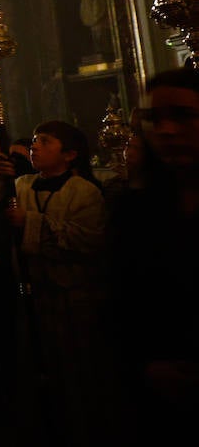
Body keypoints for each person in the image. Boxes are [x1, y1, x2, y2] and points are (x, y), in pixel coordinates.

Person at [108, 69, 199, 443]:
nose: (166, 130)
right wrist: (145, 366)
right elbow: (121, 304)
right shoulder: (132, 210)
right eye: (152, 119)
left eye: (181, 116)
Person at [6, 120, 109, 444]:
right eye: (34, 140)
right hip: (31, 297)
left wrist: (31, 222)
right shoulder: (20, 185)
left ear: (70, 154)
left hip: (71, 299)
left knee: (75, 379)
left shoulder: (84, 192)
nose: (34, 146)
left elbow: (87, 238)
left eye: (45, 141)